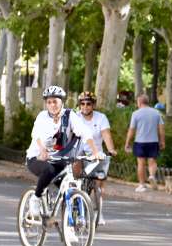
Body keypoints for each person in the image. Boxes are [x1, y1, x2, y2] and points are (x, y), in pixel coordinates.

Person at [25, 86, 103, 218]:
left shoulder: (69, 115)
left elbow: (84, 132)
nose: (52, 105)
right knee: (49, 171)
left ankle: (71, 226)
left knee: (70, 189)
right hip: (37, 158)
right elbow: (36, 134)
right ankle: (36, 198)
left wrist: (95, 151)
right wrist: (43, 150)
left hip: (59, 160)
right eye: (49, 102)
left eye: (55, 101)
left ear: (62, 102)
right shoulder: (42, 116)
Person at [76, 91, 116, 225]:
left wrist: (111, 150)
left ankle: (98, 212)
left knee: (98, 185)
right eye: (82, 104)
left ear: (93, 105)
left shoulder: (101, 118)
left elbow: (106, 136)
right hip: (78, 154)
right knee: (76, 183)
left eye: (88, 104)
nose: (85, 106)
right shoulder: (75, 117)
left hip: (96, 154)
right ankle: (78, 209)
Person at [124, 94, 164, 192]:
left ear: (140, 102)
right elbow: (161, 129)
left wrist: (127, 142)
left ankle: (142, 185)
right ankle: (152, 175)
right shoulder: (156, 113)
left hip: (140, 142)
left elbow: (132, 129)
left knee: (141, 163)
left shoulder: (136, 114)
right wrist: (162, 141)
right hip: (153, 141)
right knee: (152, 161)